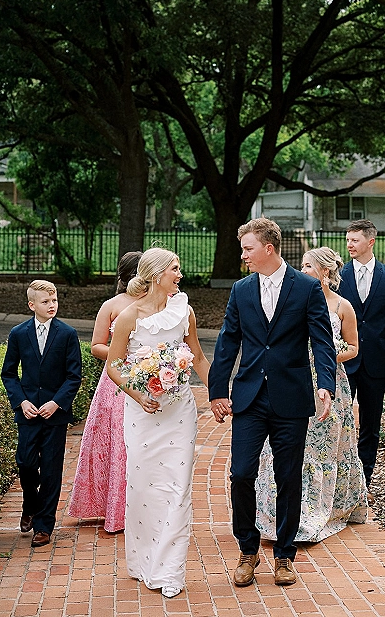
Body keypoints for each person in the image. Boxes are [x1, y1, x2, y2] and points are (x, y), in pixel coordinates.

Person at [209, 218, 337, 588]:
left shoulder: (307, 288)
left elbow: (323, 342)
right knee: (241, 474)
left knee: (288, 479)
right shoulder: (241, 289)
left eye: (248, 248)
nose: (243, 255)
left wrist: (324, 384)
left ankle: (284, 555)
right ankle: (248, 550)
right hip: (249, 397)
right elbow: (227, 341)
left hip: (291, 398)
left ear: (269, 247)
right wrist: (218, 390)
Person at [106, 247, 210, 599]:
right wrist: (138, 395)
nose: (180, 275)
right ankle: (142, 562)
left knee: (177, 488)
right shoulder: (128, 316)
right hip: (142, 412)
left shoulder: (185, 311)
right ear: (155, 275)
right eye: (175, 269)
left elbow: (196, 356)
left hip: (180, 410)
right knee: (144, 487)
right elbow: (114, 365)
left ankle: (170, 571)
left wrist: (220, 393)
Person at [256, 247, 368, 543]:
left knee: (322, 450)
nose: (301, 270)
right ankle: (279, 511)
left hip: (328, 383)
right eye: (302, 265)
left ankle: (318, 510)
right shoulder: (293, 298)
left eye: (307, 266)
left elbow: (354, 348)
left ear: (326, 272)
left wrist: (324, 355)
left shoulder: (343, 306)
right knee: (287, 444)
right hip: (293, 380)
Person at [1, 279, 82, 548]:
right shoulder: (19, 333)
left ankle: (44, 525)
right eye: (45, 301)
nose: (51, 305)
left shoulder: (68, 334)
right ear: (32, 304)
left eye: (54, 300)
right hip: (28, 413)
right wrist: (21, 402)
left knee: (50, 469)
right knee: (25, 462)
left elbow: (74, 377)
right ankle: (30, 502)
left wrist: (56, 403)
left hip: (54, 416)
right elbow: (9, 373)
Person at [68, 251, 142, 532]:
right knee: (117, 443)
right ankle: (113, 508)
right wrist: (123, 353)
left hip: (149, 380)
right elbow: (96, 345)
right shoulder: (112, 305)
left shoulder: (158, 304)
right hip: (116, 382)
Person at [339, 219, 385, 499]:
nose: (349, 245)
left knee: (371, 425)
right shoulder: (339, 276)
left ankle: (363, 483)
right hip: (344, 361)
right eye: (347, 240)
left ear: (370, 242)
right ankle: (340, 483)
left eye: (354, 240)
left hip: (377, 363)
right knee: (340, 423)